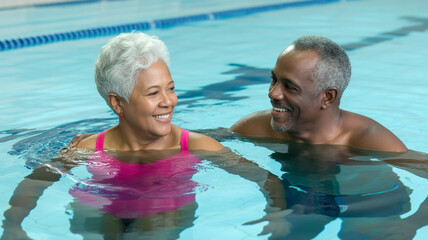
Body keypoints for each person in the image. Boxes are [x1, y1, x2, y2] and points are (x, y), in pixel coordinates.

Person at [2, 32, 283, 240]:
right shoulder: (88, 148)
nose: (168, 101)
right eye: (153, 93)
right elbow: (36, 181)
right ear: (117, 103)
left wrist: (277, 214)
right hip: (101, 211)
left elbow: (265, 178)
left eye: (170, 88)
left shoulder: (195, 144)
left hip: (165, 212)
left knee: (157, 225)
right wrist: (12, 225)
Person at [230, 35, 407, 152]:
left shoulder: (367, 141)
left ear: (327, 97)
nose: (273, 94)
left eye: (290, 87)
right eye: (274, 79)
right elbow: (206, 142)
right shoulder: (255, 127)